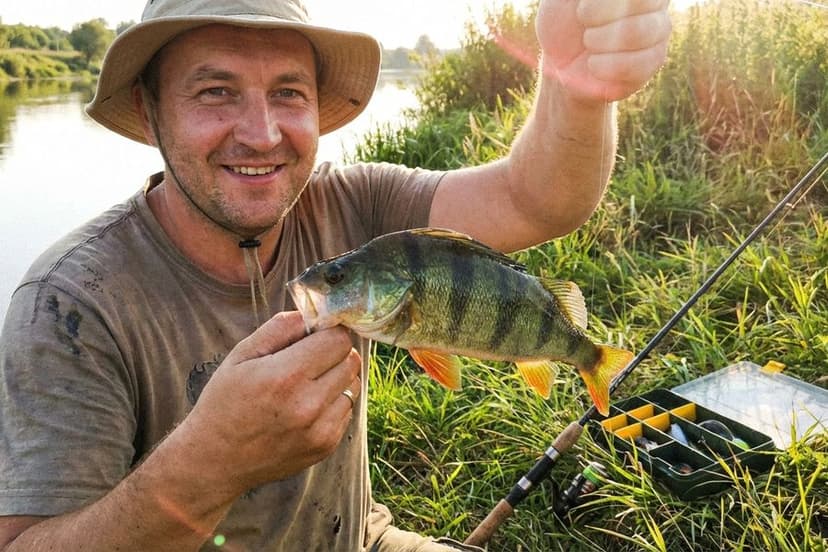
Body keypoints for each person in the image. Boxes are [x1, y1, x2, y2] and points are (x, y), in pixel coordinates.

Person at [0, 0, 671, 550]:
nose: (261, 134)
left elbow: (537, 198)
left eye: (288, 92)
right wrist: (212, 463)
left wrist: (577, 84)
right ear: (149, 111)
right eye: (215, 91)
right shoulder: (69, 304)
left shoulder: (352, 207)